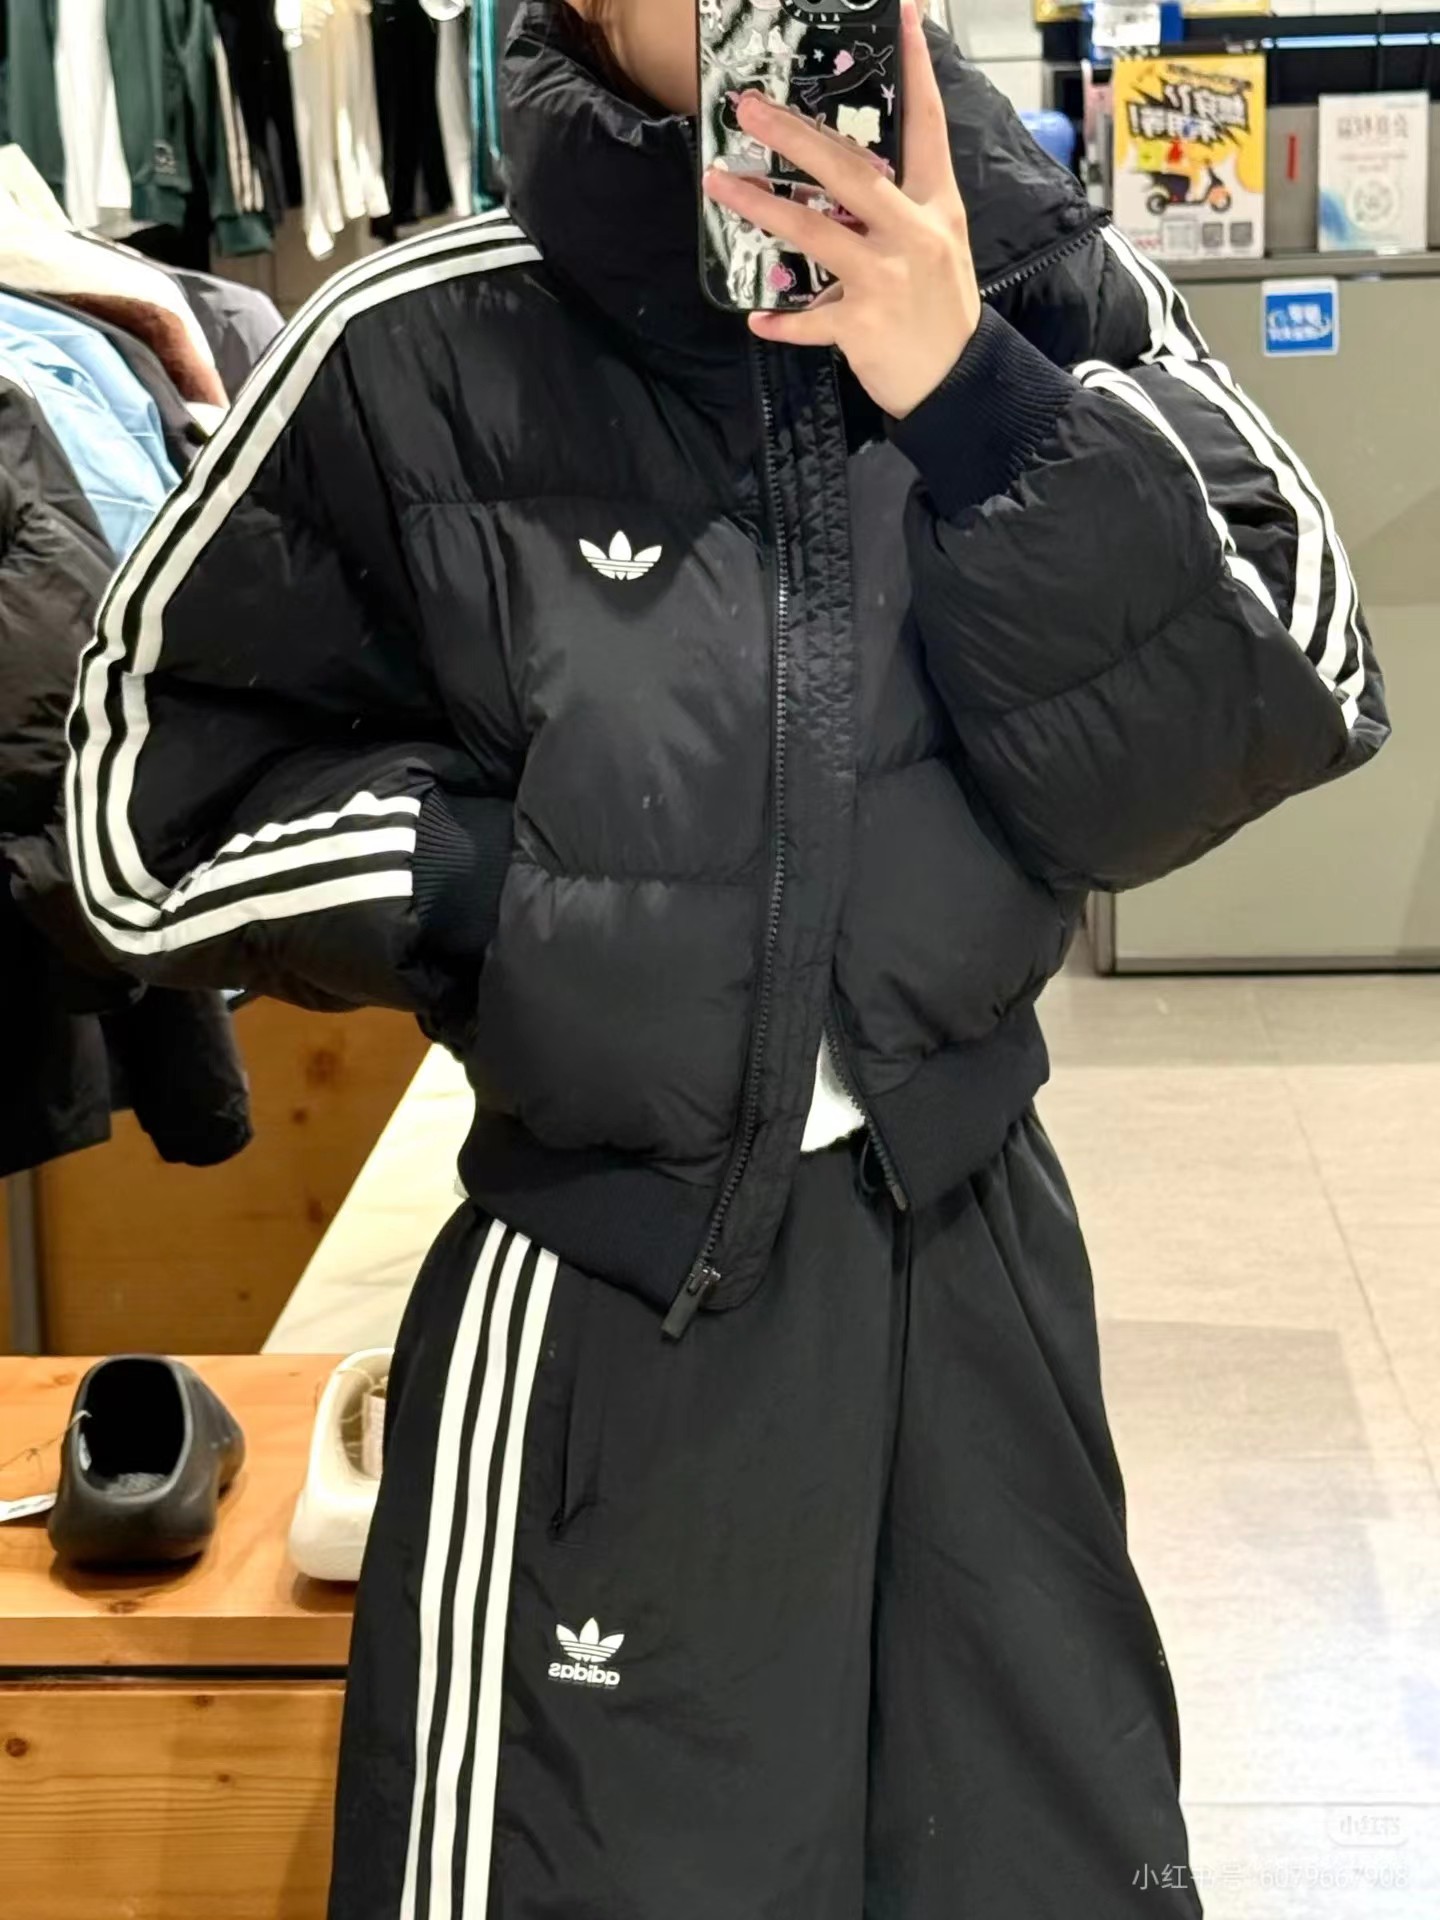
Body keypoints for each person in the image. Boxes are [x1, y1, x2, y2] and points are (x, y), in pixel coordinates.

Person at [66, 3, 1387, 1914]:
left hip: (975, 1276)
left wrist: (977, 400)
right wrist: (490, 888)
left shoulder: (1052, 289)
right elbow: (137, 811)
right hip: (610, 1319)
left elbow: (1284, 702)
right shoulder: (419, 343)